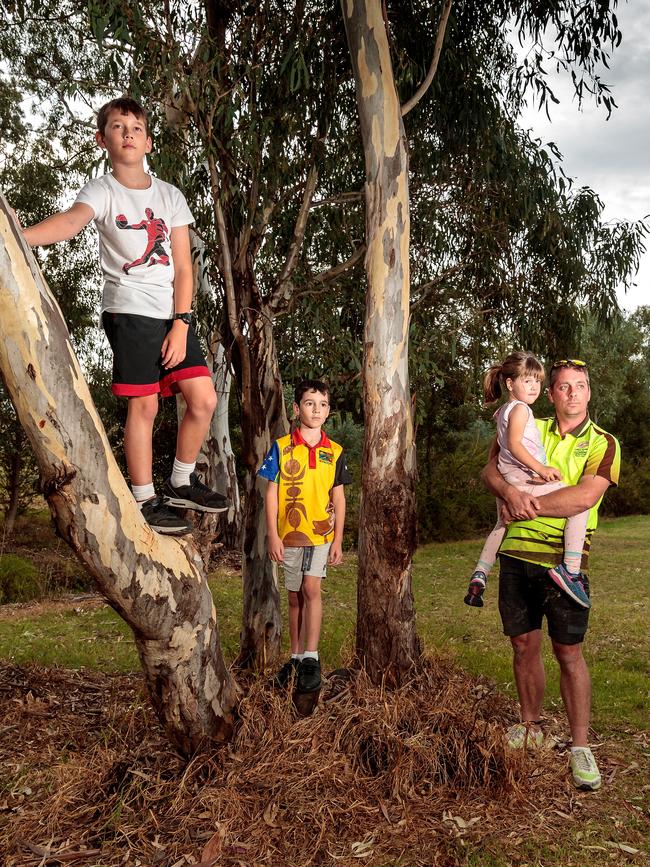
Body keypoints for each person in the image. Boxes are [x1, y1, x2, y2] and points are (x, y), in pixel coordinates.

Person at [21, 97, 228, 534]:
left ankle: (179, 482)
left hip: (172, 315)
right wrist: (19, 236)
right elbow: (69, 222)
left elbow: (184, 266)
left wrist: (182, 321)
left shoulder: (170, 195)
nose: (128, 132)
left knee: (204, 399)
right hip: (129, 311)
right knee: (146, 404)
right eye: (118, 126)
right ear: (103, 139)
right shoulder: (102, 191)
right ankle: (144, 499)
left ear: (149, 141)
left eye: (136, 127)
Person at [482, 359, 620, 791]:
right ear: (552, 393)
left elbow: (585, 496)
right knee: (523, 644)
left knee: (568, 653)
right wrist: (508, 490)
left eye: (580, 386)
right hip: (518, 552)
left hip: (564, 562)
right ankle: (532, 726)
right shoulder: (526, 420)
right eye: (563, 387)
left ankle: (580, 746)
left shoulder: (603, 443)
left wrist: (525, 502)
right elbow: (489, 469)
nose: (572, 393)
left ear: (589, 392)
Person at [465, 352, 590, 609]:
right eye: (527, 381)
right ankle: (571, 570)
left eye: (537, 381)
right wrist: (541, 469)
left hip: (511, 478)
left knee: (501, 524)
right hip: (524, 479)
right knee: (579, 505)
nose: (534, 387)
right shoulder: (521, 409)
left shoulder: (503, 411)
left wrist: (506, 489)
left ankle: (480, 573)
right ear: (510, 384)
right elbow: (513, 444)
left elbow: (495, 456)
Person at [258, 380, 352, 694]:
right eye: (310, 403)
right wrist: (272, 534)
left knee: (311, 588)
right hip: (289, 536)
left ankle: (312, 657)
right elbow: (271, 494)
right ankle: (296, 658)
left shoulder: (334, 452)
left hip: (321, 534)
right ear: (297, 409)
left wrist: (338, 539)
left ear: (328, 411)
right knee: (295, 596)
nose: (317, 409)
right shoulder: (281, 447)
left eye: (323, 404)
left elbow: (338, 499)